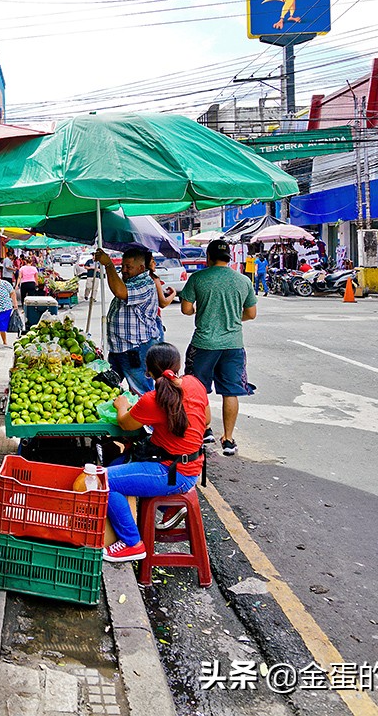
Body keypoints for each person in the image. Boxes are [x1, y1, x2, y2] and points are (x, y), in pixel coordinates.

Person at [102, 344, 209, 562]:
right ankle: (168, 509)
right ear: (178, 365)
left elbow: (125, 424)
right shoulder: (194, 384)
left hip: (172, 473)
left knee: (103, 481)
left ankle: (132, 543)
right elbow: (206, 420)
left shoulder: (152, 399)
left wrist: (121, 405)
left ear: (148, 371)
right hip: (191, 466)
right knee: (117, 462)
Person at [180, 239, 257, 457]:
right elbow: (251, 314)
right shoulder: (243, 280)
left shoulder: (198, 278)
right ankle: (229, 439)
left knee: (199, 388)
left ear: (209, 257)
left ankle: (205, 430)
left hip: (203, 344)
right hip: (233, 345)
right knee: (230, 392)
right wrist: (233, 318)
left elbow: (186, 309)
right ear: (228, 258)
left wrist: (200, 310)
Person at [97, 247, 162, 395]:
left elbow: (120, 292)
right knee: (108, 389)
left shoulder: (145, 284)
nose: (124, 270)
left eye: (128, 267)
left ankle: (146, 411)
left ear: (141, 268)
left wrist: (109, 265)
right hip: (118, 349)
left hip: (134, 350)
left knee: (142, 392)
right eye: (122, 266)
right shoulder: (130, 282)